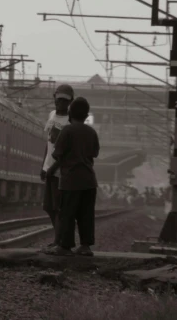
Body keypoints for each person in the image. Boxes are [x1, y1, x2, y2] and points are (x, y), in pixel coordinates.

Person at [47, 97, 101, 257]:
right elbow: (95, 153)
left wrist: (50, 170)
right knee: (86, 215)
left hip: (70, 180)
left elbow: (59, 155)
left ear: (70, 113)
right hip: (89, 181)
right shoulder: (91, 132)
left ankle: (65, 246)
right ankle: (85, 246)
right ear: (86, 116)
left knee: (67, 214)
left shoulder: (67, 131)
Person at [40, 84, 74, 247]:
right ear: (54, 98)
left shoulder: (71, 121)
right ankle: (58, 238)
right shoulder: (52, 115)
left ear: (70, 102)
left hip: (61, 172)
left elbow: (66, 150)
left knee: (59, 208)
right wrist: (44, 165)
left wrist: (52, 168)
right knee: (49, 207)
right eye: (59, 99)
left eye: (65, 101)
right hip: (49, 169)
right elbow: (48, 143)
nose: (61, 103)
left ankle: (58, 240)